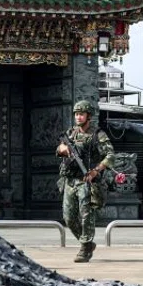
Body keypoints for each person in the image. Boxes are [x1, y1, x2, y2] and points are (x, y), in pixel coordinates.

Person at [56, 99, 115, 263]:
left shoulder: (98, 135)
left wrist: (96, 170)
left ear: (89, 116)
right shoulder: (70, 133)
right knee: (68, 217)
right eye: (76, 114)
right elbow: (59, 149)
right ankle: (87, 243)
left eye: (81, 114)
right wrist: (63, 149)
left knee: (86, 216)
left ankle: (85, 247)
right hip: (70, 180)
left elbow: (110, 156)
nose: (78, 117)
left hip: (87, 180)